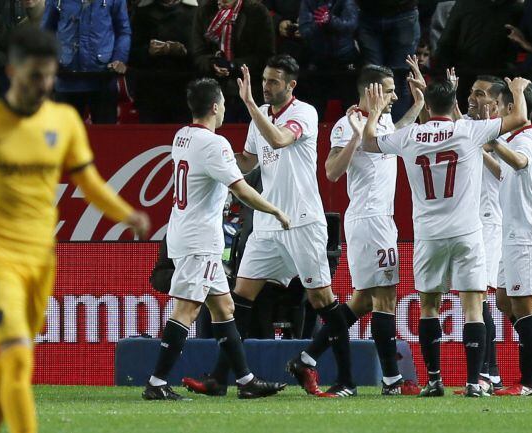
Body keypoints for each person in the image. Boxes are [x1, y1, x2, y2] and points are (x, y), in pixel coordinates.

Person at [0, 27, 150, 433]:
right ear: (13, 71)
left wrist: (126, 214)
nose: (45, 85)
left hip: (41, 258)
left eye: (50, 75)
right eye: (36, 75)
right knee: (17, 357)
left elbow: (88, 182)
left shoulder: (64, 120)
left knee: (8, 365)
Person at [184, 55, 356, 398]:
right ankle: (220, 378)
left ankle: (347, 380)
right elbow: (249, 160)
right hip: (266, 224)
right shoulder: (259, 118)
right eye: (264, 79)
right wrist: (212, 159)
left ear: (291, 85)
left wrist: (248, 103)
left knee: (322, 298)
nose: (266, 86)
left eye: (274, 81)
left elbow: (278, 140)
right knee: (240, 299)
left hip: (302, 221)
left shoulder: (304, 113)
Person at [361, 76, 532, 397]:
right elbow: (519, 118)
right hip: (467, 232)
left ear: (426, 105)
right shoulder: (467, 130)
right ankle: (473, 381)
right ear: (453, 102)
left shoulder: (408, 135)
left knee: (429, 307)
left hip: (428, 235)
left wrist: (375, 112)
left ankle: (434, 380)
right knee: (473, 306)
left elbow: (369, 142)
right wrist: (519, 92)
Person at [143, 78, 289, 400]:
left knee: (224, 308)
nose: (224, 108)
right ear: (214, 107)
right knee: (187, 311)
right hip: (199, 240)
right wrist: (276, 211)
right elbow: (241, 189)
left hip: (184, 232)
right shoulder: (214, 144)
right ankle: (156, 383)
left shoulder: (181, 137)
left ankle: (246, 380)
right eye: (222, 103)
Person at [289, 60, 425, 397]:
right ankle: (392, 380)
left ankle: (306, 358)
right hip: (371, 220)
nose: (395, 97)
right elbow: (333, 171)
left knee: (363, 301)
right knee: (386, 297)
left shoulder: (379, 120)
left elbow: (391, 137)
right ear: (372, 91)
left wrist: (418, 105)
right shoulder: (347, 124)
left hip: (379, 219)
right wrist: (354, 133)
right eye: (390, 91)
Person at [486, 86, 532, 396]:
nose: (497, 110)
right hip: (514, 233)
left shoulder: (527, 138)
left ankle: (528, 382)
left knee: (524, 306)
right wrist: (484, 150)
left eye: (501, 105)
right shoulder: (518, 138)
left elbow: (519, 162)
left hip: (528, 234)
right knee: (504, 301)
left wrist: (493, 144)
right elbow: (505, 170)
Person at [465, 75, 508, 392]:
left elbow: (506, 173)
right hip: (465, 221)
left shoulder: (503, 130)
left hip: (490, 219)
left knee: (479, 297)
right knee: (476, 299)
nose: (473, 98)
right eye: (471, 92)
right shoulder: (465, 123)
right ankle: (490, 372)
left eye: (480, 94)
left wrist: (477, 148)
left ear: (495, 103)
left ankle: (488, 372)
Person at [42, 0, 131, 124]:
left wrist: (119, 59)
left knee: (105, 138)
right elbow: (45, 33)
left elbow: (123, 31)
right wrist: (51, 60)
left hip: (103, 78)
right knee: (65, 138)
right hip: (66, 79)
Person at [191, 0, 274, 122]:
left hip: (250, 88)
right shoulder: (204, 11)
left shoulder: (257, 12)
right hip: (214, 89)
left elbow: (265, 55)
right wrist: (211, 64)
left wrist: (233, 65)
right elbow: (198, 53)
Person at [129, 0, 196, 123]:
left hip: (185, 90)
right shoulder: (141, 12)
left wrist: (185, 52)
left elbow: (203, 52)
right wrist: (147, 51)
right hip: (150, 91)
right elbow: (131, 54)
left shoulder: (195, 12)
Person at [355, 0, 420, 121]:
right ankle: (371, 129)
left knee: (400, 77)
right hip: (367, 13)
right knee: (371, 76)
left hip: (404, 12)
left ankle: (397, 132)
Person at [297, 0, 359, 119]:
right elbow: (304, 31)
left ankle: (355, 133)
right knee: (315, 105)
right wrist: (319, 23)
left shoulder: (346, 2)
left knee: (350, 102)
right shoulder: (309, 2)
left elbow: (351, 25)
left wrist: (331, 20)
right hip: (318, 59)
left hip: (344, 58)